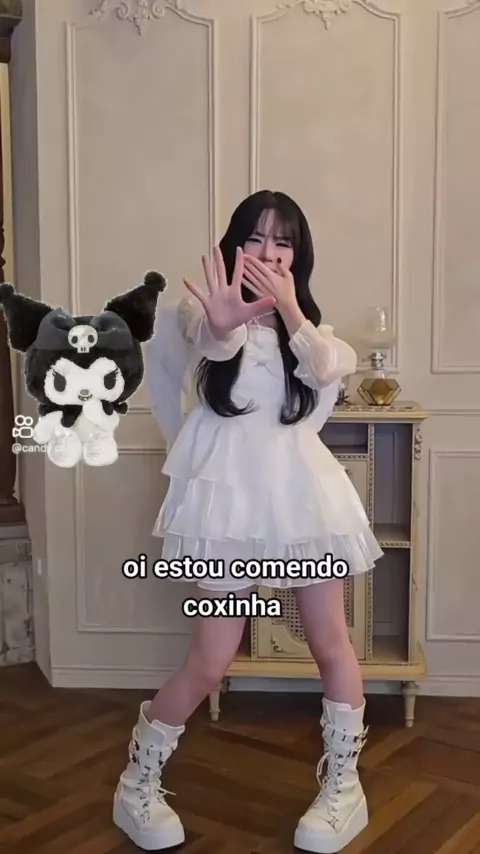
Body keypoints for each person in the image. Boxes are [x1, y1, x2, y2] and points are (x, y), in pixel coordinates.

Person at [112, 190, 383, 853]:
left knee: (332, 645)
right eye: (256, 238)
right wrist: (226, 319)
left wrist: (289, 309)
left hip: (301, 502)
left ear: (298, 256)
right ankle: (136, 783)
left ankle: (344, 787)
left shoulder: (314, 333)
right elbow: (211, 338)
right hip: (225, 508)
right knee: (210, 661)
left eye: (283, 242)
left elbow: (327, 367)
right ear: (234, 246)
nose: (269, 252)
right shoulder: (198, 310)